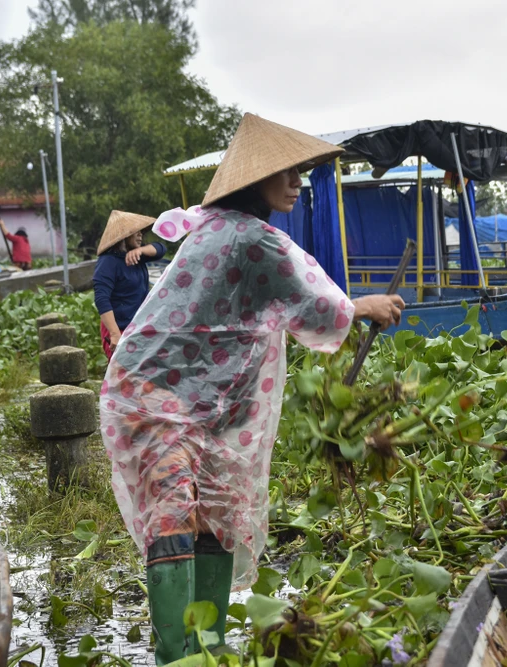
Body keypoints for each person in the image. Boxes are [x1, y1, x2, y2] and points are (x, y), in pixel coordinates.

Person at [98, 114, 405, 665]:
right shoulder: (247, 236)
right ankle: (178, 655)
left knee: (215, 516)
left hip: (200, 407)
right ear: (253, 179)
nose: (298, 181)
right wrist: (364, 307)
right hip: (154, 401)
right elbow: (317, 305)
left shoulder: (219, 228)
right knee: (174, 523)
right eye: (287, 171)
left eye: (301, 171)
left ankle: (208, 650)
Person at [93, 211, 167, 360]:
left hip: (138, 326)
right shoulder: (108, 262)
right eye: (135, 232)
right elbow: (102, 299)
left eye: (141, 232)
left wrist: (141, 250)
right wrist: (114, 334)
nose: (140, 235)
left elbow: (161, 249)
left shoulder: (136, 257)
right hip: (118, 328)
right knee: (123, 374)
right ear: (123, 236)